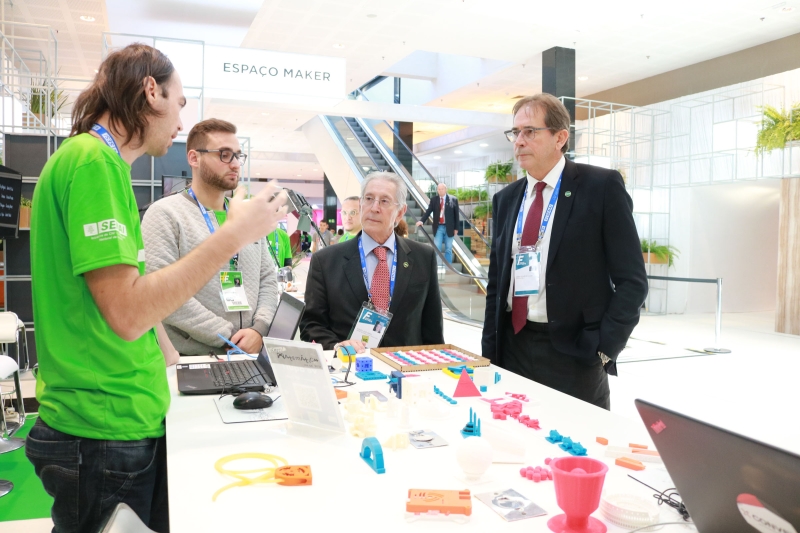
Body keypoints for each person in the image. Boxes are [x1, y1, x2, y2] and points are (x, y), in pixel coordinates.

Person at [25, 44, 287, 533]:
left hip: (120, 418)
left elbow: (137, 301)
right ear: (152, 90)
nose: (181, 117)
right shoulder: (92, 164)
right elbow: (127, 311)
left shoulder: (105, 168)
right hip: (102, 426)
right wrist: (232, 234)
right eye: (181, 101)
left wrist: (179, 367)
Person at [481, 94, 647, 410]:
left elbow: (632, 282)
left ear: (560, 137)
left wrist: (604, 348)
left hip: (574, 354)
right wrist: (490, 352)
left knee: (576, 449)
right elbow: (496, 285)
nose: (519, 141)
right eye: (515, 133)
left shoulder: (600, 187)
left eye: (530, 131)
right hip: (512, 348)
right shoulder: (506, 199)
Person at [142, 118, 278, 355]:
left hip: (250, 355)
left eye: (238, 155)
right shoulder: (166, 214)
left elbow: (267, 277)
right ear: (194, 158)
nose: (235, 164)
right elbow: (160, 293)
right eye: (224, 155)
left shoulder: (245, 214)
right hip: (191, 359)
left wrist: (259, 328)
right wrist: (226, 335)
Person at [300, 171, 444, 352]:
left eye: (384, 201)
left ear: (401, 212)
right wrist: (336, 346)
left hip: (405, 372)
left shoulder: (423, 257)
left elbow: (433, 330)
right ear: (361, 205)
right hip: (349, 370)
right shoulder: (326, 261)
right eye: (369, 199)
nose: (374, 207)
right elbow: (311, 325)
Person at [417, 182, 459, 264]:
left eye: (442, 189)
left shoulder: (453, 199)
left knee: (448, 249)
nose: (440, 190)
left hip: (449, 227)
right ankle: (435, 268)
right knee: (437, 248)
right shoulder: (434, 200)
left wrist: (456, 228)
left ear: (445, 189)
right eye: (439, 189)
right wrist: (422, 221)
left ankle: (448, 270)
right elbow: (428, 211)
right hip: (438, 227)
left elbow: (456, 215)